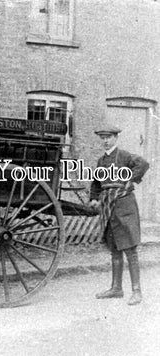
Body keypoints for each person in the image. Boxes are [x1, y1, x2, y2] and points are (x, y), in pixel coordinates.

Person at [89, 124, 149, 305]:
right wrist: (93, 198)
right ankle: (116, 288)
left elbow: (143, 164)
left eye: (108, 137)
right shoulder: (101, 161)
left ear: (116, 138)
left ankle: (136, 291)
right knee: (114, 247)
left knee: (129, 248)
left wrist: (130, 180)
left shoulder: (124, 156)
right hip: (108, 206)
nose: (105, 141)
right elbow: (96, 182)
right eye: (103, 138)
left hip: (124, 206)